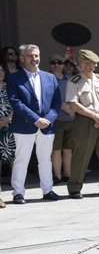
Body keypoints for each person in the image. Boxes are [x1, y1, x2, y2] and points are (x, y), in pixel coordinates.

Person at [7, 44, 61, 203]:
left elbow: (57, 101)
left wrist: (48, 119)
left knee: (45, 159)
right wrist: (35, 119)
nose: (34, 59)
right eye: (30, 56)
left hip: (47, 126)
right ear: (22, 58)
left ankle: (47, 190)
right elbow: (16, 102)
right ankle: (18, 193)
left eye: (36, 56)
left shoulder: (49, 77)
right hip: (24, 125)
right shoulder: (14, 78)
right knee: (21, 159)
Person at [64, 50, 99, 198]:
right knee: (82, 154)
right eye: (84, 63)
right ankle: (75, 187)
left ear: (96, 64)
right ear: (79, 64)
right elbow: (74, 104)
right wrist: (94, 116)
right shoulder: (74, 81)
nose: (87, 66)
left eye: (90, 63)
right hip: (85, 119)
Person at [48, 55, 74, 184]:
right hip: (55, 119)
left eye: (60, 63)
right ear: (49, 65)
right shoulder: (46, 79)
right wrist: (64, 107)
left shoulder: (71, 80)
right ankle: (57, 176)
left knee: (68, 149)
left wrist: (72, 108)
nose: (57, 65)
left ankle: (67, 175)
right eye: (54, 62)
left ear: (64, 65)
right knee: (56, 149)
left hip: (71, 119)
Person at [0, 68, 15, 207]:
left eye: (2, 70)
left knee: (13, 157)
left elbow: (15, 104)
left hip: (10, 125)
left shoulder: (9, 87)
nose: (0, 73)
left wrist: (8, 119)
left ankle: (17, 190)